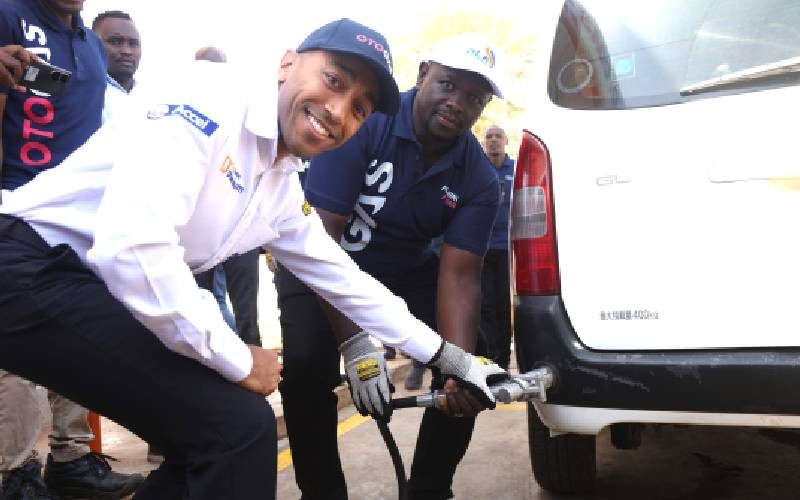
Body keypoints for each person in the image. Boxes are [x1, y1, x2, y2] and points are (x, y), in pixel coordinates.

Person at [0, 18, 505, 500]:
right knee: (235, 431)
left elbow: (342, 278)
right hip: (26, 265)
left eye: (359, 108)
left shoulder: (278, 179)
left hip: (81, 284)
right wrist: (239, 358)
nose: (338, 111)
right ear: (287, 63)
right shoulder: (210, 96)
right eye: (334, 80)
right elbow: (134, 248)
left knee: (221, 434)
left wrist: (452, 359)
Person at [277, 32, 505, 500]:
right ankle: (322, 493)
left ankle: (429, 490)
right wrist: (356, 343)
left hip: (401, 273)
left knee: (474, 362)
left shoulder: (479, 178)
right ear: (423, 75)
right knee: (305, 368)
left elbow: (460, 275)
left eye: (473, 98)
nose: (457, 103)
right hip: (320, 260)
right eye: (448, 85)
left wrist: (456, 368)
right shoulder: (366, 119)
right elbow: (321, 239)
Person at [0, 1, 144, 498]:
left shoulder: (89, 45)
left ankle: (72, 459)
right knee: (15, 350)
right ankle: (14, 473)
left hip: (75, 217)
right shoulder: (9, 14)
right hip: (14, 208)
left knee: (74, 334)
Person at [190, 45, 264, 347]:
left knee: (247, 312)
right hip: (199, 236)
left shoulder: (246, 115)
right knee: (202, 306)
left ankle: (254, 363)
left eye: (217, 68)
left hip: (242, 235)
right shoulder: (184, 115)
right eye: (203, 68)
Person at [480, 124, 515, 369]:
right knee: (486, 305)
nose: (493, 140)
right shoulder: (478, 168)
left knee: (504, 306)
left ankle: (504, 359)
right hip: (481, 247)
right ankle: (490, 359)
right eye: (489, 136)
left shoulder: (516, 169)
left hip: (508, 248)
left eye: (498, 136)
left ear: (505, 141)